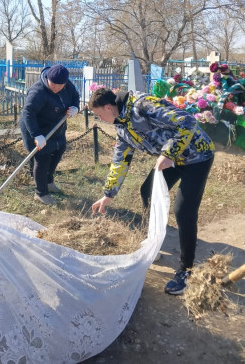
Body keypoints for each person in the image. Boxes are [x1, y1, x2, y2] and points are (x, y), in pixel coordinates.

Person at [88, 87, 215, 295]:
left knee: (183, 210)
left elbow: (188, 122)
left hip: (197, 156)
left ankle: (186, 269)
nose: (100, 119)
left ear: (109, 107)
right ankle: (154, 243)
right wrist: (108, 194)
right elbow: (120, 161)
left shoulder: (143, 106)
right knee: (147, 191)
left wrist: (169, 152)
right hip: (171, 160)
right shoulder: (121, 127)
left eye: (99, 114)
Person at [20, 64, 80, 205]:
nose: (56, 88)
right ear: (48, 78)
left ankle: (48, 181)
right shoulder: (38, 91)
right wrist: (36, 135)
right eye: (53, 84)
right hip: (35, 128)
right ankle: (41, 193)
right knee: (42, 157)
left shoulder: (67, 84)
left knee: (59, 149)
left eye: (60, 86)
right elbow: (28, 114)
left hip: (56, 126)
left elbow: (75, 96)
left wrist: (75, 106)